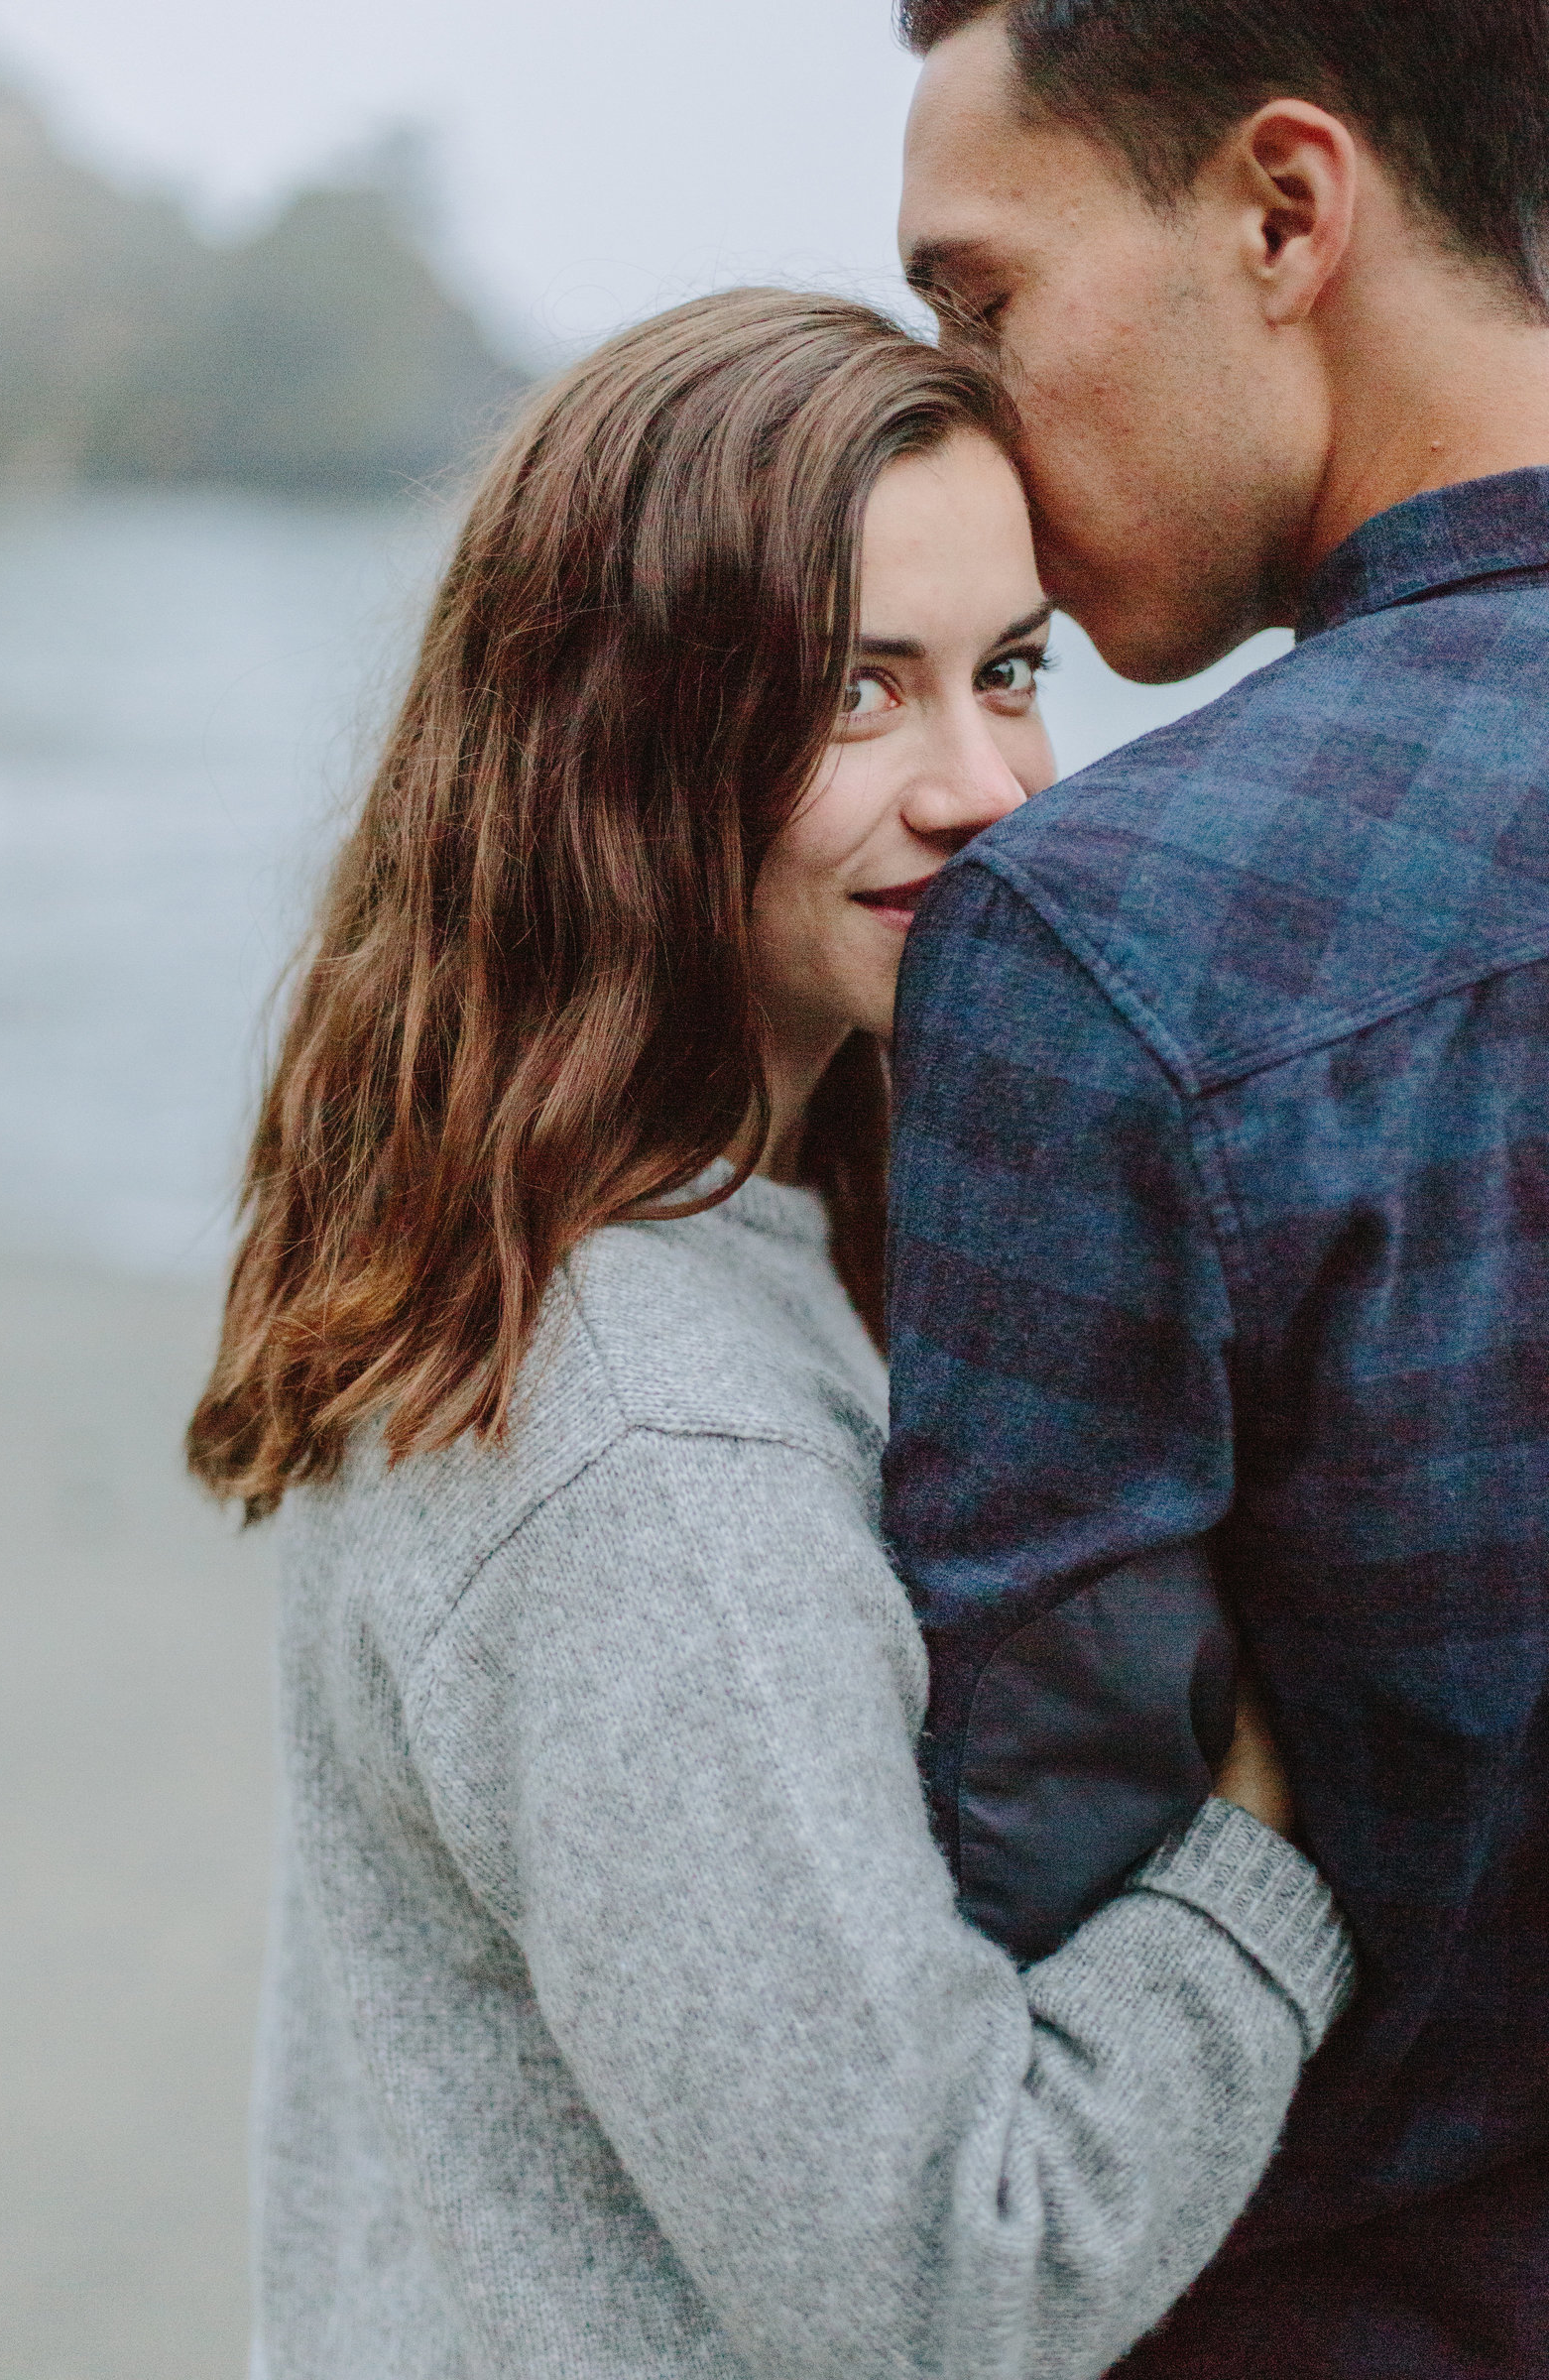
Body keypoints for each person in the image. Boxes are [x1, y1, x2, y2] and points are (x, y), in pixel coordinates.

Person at [188, 291, 1352, 2380]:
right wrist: (1266, 1848)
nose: (987, 785)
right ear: (616, 738)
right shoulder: (642, 1442)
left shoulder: (615, 1225)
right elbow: (951, 2279)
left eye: (1008, 673)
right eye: (853, 697)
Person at [887, 5, 1549, 2375]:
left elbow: (1027, 1901)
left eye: (980, 303)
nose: (963, 404)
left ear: (1284, 212)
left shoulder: (1107, 940)